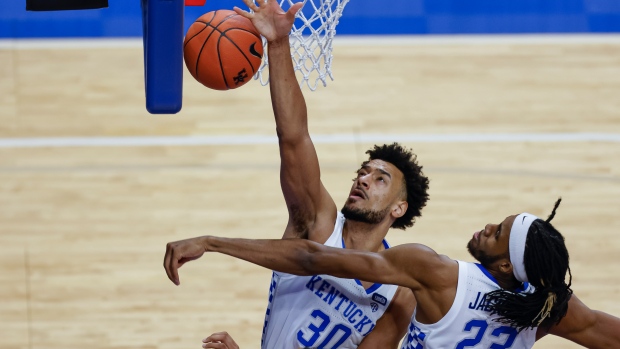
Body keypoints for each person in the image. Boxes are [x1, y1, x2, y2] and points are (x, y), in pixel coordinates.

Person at [179, 0, 430, 347]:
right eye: (363, 172)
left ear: (398, 208)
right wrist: (278, 44)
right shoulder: (318, 223)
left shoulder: (399, 295)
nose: (363, 180)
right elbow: (294, 138)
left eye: (380, 179)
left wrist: (212, 243)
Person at [164, 199, 620, 349]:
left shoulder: (436, 274)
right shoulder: (545, 309)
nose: (487, 227)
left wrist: (213, 242)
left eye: (497, 233)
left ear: (504, 265)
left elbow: (310, 258)